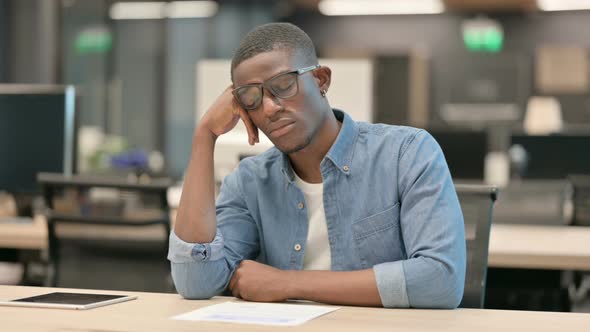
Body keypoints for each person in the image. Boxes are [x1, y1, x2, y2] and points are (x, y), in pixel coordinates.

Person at [168, 22, 465, 308]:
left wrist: (288, 283)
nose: (269, 108)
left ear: (321, 80)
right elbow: (195, 282)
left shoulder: (406, 154)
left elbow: (441, 280)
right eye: (251, 98)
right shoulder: (250, 182)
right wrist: (204, 135)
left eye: (283, 85)